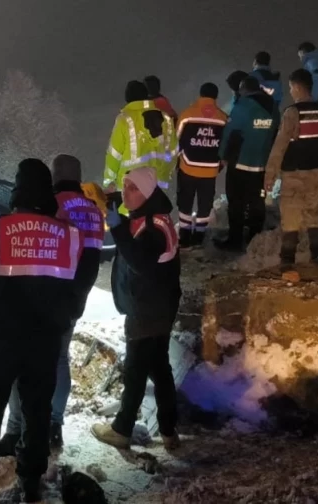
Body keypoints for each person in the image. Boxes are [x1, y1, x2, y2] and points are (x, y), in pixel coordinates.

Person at [0, 159, 94, 504]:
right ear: (47, 193)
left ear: (17, 191)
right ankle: (31, 485)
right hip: (45, 343)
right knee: (38, 413)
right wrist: (68, 311)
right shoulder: (71, 236)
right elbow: (83, 280)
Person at [0, 156, 102, 455]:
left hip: (49, 293)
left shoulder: (53, 203)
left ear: (55, 178)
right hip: (77, 295)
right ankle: (54, 425)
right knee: (60, 359)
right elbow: (94, 256)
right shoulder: (94, 210)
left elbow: (44, 248)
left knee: (25, 361)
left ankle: (16, 428)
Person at [90, 167, 181, 451]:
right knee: (159, 368)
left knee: (136, 371)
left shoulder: (153, 228)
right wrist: (110, 199)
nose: (126, 192)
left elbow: (139, 262)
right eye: (125, 186)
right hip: (160, 307)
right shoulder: (151, 217)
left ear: (147, 194)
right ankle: (169, 431)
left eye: (132, 188)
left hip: (148, 309)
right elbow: (129, 211)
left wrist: (116, 226)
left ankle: (122, 429)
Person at [264, 69, 318, 268]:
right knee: (314, 213)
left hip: (294, 174)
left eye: (290, 88)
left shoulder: (292, 113)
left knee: (290, 216)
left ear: (297, 87)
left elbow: (279, 147)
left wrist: (270, 175)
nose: (290, 92)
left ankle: (287, 259)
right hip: (316, 173)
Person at [216, 77, 279, 251]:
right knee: (257, 201)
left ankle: (235, 240)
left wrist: (222, 156)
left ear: (244, 90)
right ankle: (254, 238)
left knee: (236, 202)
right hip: (261, 164)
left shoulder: (243, 106)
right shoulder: (273, 107)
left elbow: (230, 133)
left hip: (241, 164)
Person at [175, 83, 228, 247]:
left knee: (185, 202)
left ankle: (184, 236)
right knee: (205, 205)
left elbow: (176, 141)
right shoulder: (223, 118)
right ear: (215, 97)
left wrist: (178, 160)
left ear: (200, 95)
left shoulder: (187, 114)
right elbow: (226, 145)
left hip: (187, 168)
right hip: (210, 171)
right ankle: (199, 237)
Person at [103, 80, 175, 197]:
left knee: (131, 214)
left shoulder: (124, 119)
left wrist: (108, 181)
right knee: (154, 214)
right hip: (157, 185)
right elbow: (173, 151)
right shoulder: (166, 118)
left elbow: (114, 154)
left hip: (130, 186)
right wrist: (166, 174)